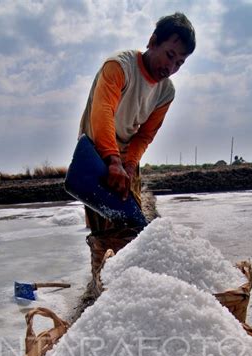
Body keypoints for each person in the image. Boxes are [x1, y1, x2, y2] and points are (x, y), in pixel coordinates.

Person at [79, 11, 196, 238]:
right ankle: (101, 272)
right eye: (169, 55)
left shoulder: (166, 92)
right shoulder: (119, 67)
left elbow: (145, 136)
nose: (171, 68)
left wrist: (130, 165)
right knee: (105, 231)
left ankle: (130, 271)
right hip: (95, 150)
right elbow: (102, 114)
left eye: (179, 63)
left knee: (133, 226)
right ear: (152, 42)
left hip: (127, 155)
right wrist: (113, 161)